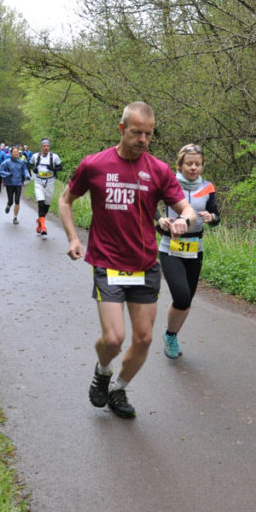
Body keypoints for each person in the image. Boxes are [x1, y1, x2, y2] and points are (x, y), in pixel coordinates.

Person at [59, 102, 197, 418]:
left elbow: (185, 208)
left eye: (148, 134)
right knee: (113, 338)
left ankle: (118, 390)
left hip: (146, 265)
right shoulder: (95, 165)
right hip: (108, 263)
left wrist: (183, 221)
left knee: (145, 338)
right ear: (122, 129)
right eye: (137, 132)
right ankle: (103, 369)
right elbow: (65, 201)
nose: (143, 139)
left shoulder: (159, 170)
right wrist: (73, 238)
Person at [156, 144, 220, 359]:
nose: (193, 168)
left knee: (187, 300)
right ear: (180, 164)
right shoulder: (169, 184)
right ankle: (171, 335)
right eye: (189, 163)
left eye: (198, 164)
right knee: (181, 296)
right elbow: (149, 208)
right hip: (170, 247)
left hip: (195, 248)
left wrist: (212, 218)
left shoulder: (208, 187)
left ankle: (171, 335)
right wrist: (160, 221)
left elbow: (216, 215)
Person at [29, 138, 63, 237]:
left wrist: (53, 168)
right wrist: (34, 169)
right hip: (39, 181)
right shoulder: (36, 156)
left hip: (50, 182)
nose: (46, 148)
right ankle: (43, 227)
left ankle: (40, 220)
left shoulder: (54, 157)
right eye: (44, 146)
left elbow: (60, 167)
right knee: (40, 202)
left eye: (48, 146)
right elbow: (29, 164)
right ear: (41, 147)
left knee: (47, 205)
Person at [0, 146, 30, 224]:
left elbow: (24, 169)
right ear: (11, 153)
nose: (16, 153)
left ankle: (15, 217)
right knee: (11, 201)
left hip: (18, 183)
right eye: (14, 152)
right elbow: (1, 170)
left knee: (17, 201)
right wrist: (8, 174)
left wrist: (27, 175)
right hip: (9, 184)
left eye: (17, 152)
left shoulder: (21, 162)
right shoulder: (7, 162)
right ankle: (8, 205)